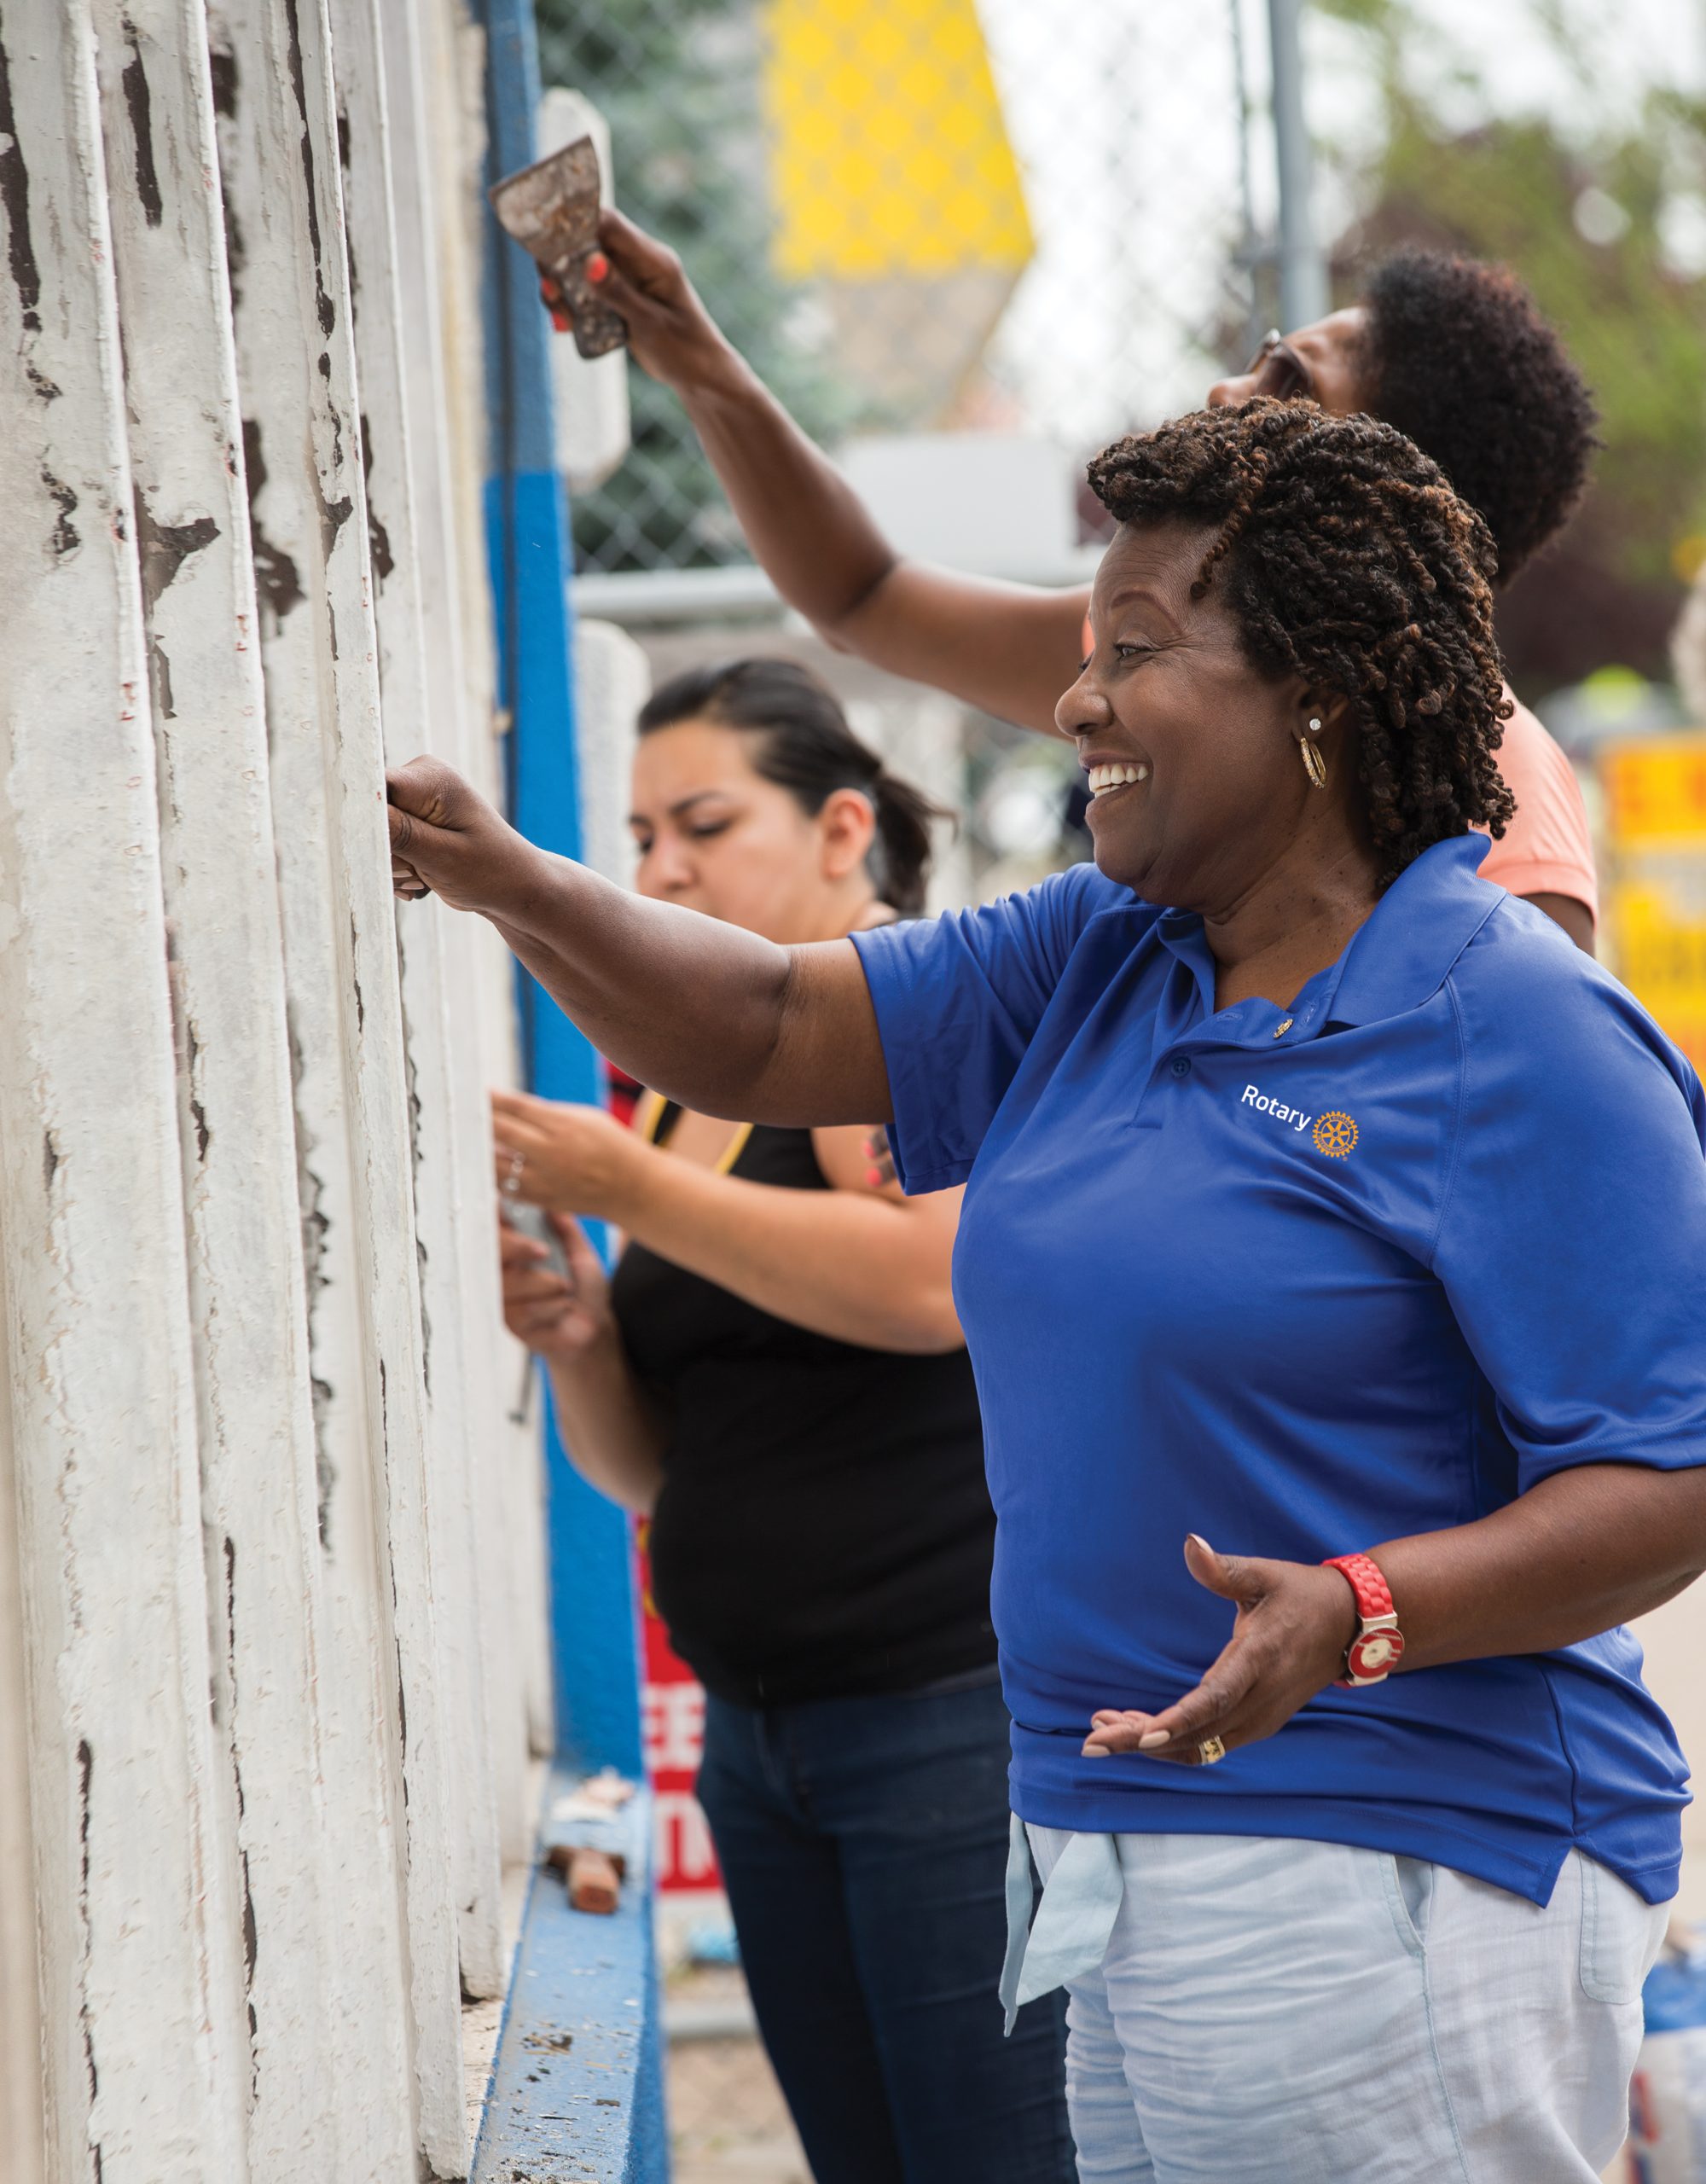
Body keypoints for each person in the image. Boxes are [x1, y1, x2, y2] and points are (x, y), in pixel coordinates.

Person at [391, 398, 1706, 2181]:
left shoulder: (1507, 1023)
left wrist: (1356, 1607)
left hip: (1398, 1855)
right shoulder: (1104, 948)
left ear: (1316, 692)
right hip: (1111, 1836)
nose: (1077, 698)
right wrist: (510, 881)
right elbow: (772, 1020)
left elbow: (1670, 1473)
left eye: (1136, 651)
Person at [492, 658, 1073, 2184]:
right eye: (638, 836)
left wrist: (629, 1188)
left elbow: (929, 1284)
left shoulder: (897, 1012)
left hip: (944, 1726)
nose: (660, 869)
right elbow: (654, 1469)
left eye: (700, 823)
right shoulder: (703, 1080)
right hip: (764, 1747)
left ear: (837, 829)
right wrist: (579, 1344)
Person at [548, 227, 1599, 949]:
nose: (1228, 388)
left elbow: (1531, 1174)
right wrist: (696, 362)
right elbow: (863, 597)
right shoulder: (1181, 671)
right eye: (1258, 355)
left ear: (1398, 482)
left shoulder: (1499, 794)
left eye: (1290, 381)